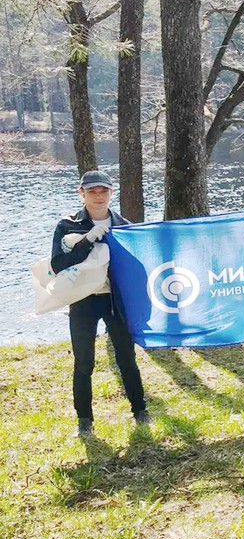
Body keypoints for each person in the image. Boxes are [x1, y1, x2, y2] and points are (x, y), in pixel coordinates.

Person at [52, 170, 149, 437]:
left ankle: (141, 411)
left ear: (111, 193)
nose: (98, 196)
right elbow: (59, 265)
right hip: (82, 301)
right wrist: (87, 239)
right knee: (84, 362)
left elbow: (138, 268)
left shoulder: (124, 226)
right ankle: (84, 420)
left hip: (115, 301)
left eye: (103, 191)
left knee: (126, 359)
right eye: (92, 191)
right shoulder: (67, 225)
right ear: (80, 192)